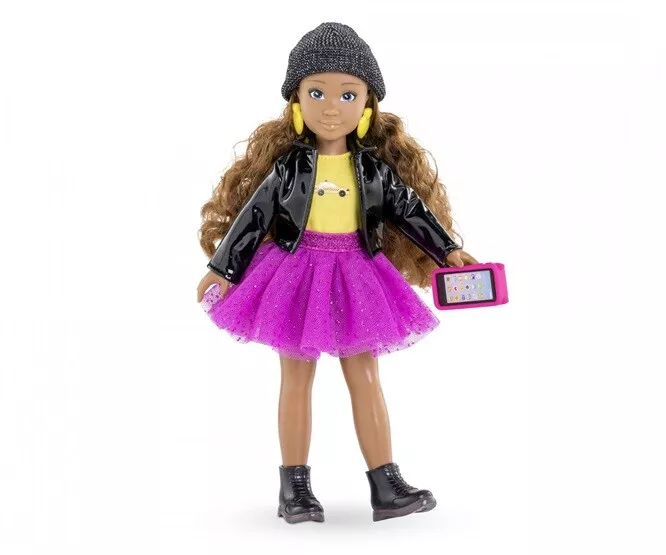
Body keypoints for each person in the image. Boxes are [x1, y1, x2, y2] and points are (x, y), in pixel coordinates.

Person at [196, 22, 478, 524]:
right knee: (296, 376)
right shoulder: (289, 170)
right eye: (317, 92)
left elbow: (411, 212)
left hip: (356, 272)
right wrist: (223, 267)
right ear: (296, 101)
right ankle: (295, 488)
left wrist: (447, 250)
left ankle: (386, 484)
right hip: (295, 271)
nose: (332, 107)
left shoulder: (373, 171)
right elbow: (254, 218)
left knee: (365, 375)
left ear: (368, 104)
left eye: (348, 94)